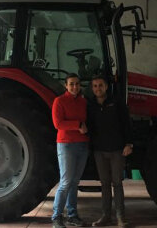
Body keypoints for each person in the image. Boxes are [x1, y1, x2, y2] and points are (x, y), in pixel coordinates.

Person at [87, 75, 133, 227]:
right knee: (105, 184)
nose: (97, 88)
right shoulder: (90, 105)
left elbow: (126, 123)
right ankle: (106, 216)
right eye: (95, 86)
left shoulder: (116, 102)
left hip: (117, 150)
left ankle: (121, 217)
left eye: (100, 85)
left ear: (106, 87)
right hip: (99, 150)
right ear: (92, 88)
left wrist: (129, 144)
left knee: (117, 183)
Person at [51, 73, 89, 228]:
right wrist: (78, 125)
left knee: (74, 182)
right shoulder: (59, 101)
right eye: (71, 84)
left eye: (77, 84)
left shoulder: (83, 102)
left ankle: (72, 215)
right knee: (66, 182)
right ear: (66, 85)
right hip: (66, 144)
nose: (75, 87)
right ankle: (56, 217)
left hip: (82, 145)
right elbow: (58, 123)